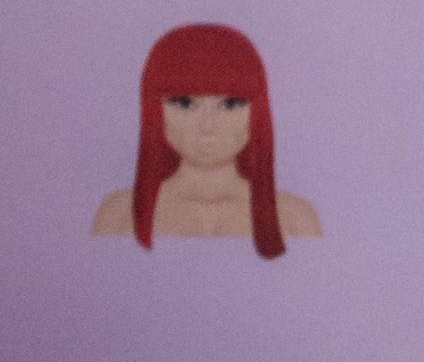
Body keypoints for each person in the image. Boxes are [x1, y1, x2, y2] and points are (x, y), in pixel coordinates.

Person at [90, 24, 319, 249]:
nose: (208, 126)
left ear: (259, 112)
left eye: (230, 104)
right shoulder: (118, 215)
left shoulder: (295, 218)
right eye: (185, 103)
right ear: (154, 110)